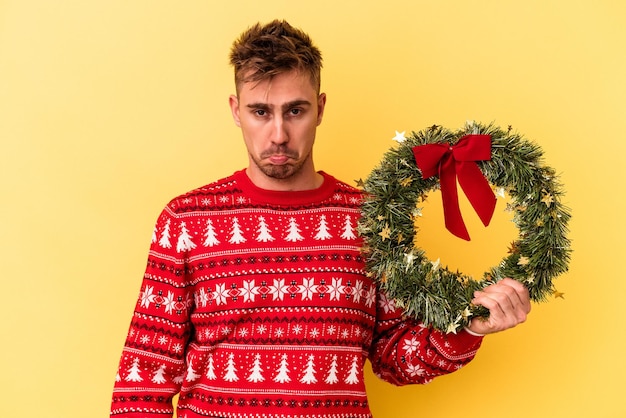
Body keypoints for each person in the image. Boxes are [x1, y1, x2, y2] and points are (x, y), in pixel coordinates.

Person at [110, 19, 530, 418]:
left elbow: (396, 358)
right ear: (236, 110)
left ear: (320, 107)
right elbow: (143, 379)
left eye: (295, 111)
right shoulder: (187, 220)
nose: (277, 134)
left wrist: (467, 328)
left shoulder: (370, 220)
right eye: (260, 112)